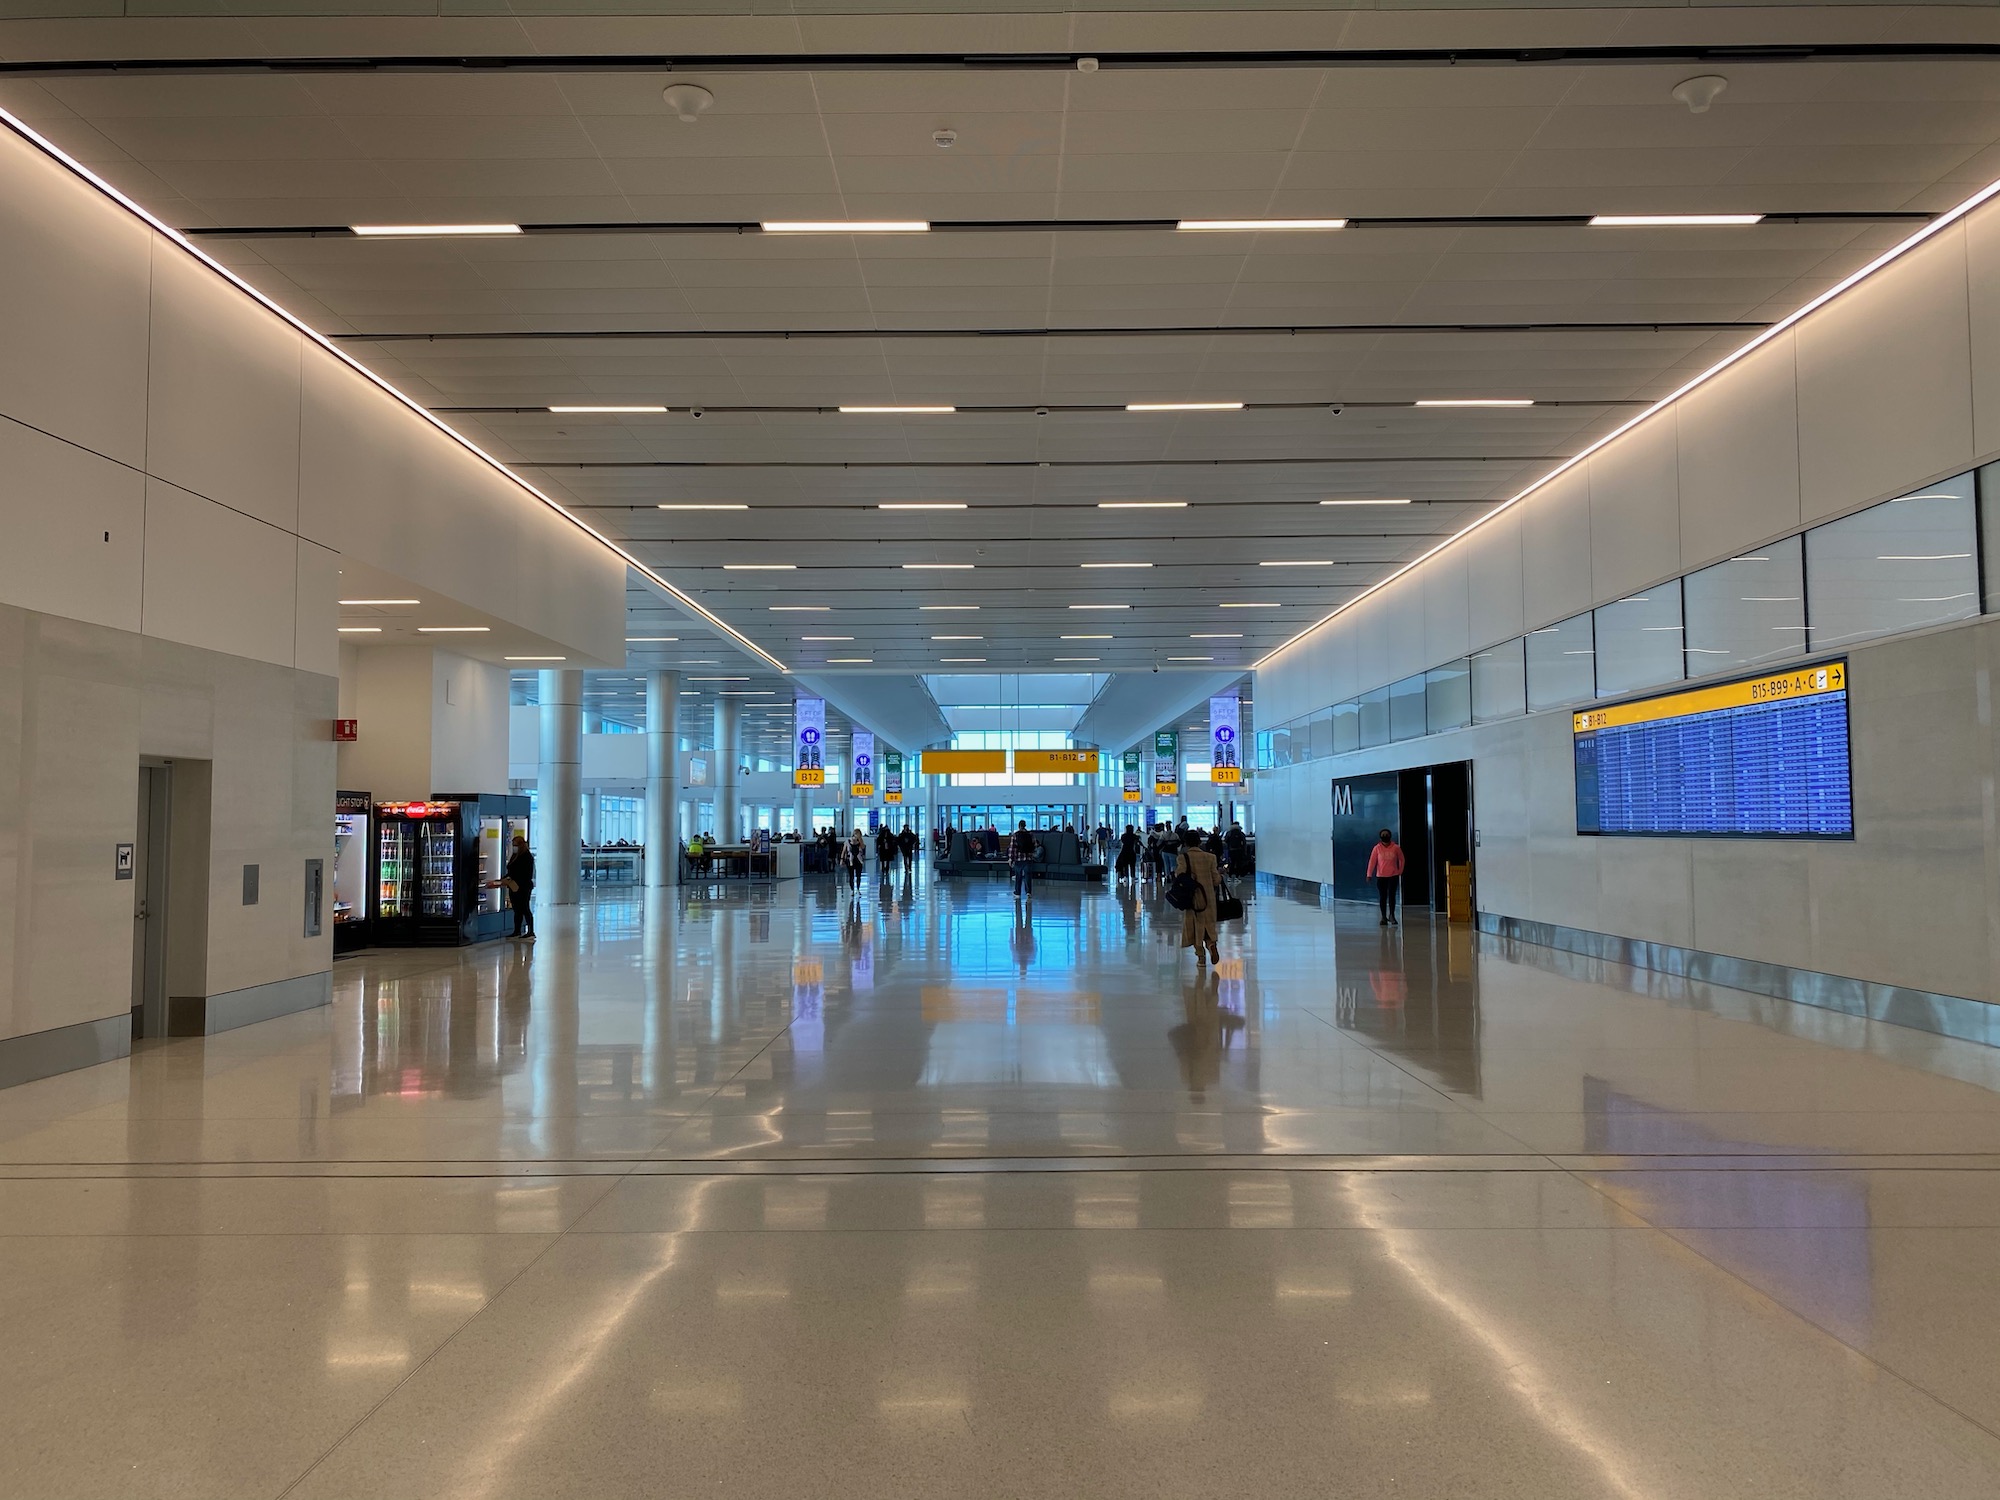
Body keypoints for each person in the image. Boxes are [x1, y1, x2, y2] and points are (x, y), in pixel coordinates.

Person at [1174, 834, 1221, 965]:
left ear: (1186, 844)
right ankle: (1211, 944)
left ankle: (1201, 958)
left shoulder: (1183, 858)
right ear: (1200, 842)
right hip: (1209, 898)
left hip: (1192, 898)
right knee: (1209, 924)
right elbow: (1216, 880)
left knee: (1195, 926)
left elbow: (1179, 875)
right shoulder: (1211, 857)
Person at [489, 833, 535, 940]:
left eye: (515, 845)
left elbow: (523, 873)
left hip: (523, 887)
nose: (514, 847)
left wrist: (506, 880)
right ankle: (517, 930)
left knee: (524, 908)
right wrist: (502, 880)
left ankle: (531, 931)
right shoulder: (515, 856)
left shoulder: (527, 857)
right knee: (516, 909)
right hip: (513, 886)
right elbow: (511, 871)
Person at [1367, 827, 1405, 926]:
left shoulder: (1396, 847)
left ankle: (1392, 915)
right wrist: (1369, 874)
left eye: (1386, 835)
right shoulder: (1377, 848)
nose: (1385, 836)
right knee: (1383, 897)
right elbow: (1372, 862)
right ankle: (1383, 917)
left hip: (1393, 875)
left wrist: (1400, 871)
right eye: (1383, 835)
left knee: (1392, 896)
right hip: (1381, 876)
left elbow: (1402, 859)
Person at [1008, 819, 1037, 898]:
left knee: (1018, 876)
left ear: (1019, 826)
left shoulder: (1015, 835)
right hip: (1028, 859)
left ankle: (1017, 893)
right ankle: (1028, 892)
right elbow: (1035, 845)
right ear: (1025, 825)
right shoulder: (1031, 834)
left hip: (1019, 859)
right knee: (1028, 876)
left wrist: (1011, 859)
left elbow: (1012, 848)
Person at [841, 828, 866, 893]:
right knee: (851, 876)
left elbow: (863, 847)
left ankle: (858, 889)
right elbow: (844, 851)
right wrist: (842, 859)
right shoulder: (848, 841)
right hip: (850, 860)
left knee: (858, 875)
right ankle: (852, 890)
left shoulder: (860, 841)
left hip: (858, 860)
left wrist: (860, 840)